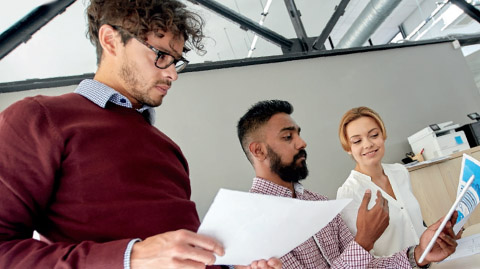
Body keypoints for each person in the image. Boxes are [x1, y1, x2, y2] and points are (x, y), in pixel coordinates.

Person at [0, 1, 280, 268]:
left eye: (176, 61)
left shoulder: (168, 149)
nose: (173, 74)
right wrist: (130, 258)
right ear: (110, 40)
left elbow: (178, 256)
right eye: (161, 56)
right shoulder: (40, 119)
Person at [236, 99, 458, 268]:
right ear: (258, 150)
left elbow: (367, 266)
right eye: (288, 137)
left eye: (298, 135)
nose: (302, 143)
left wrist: (419, 254)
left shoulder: (320, 204)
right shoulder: (253, 223)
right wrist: (364, 240)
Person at [336, 106, 426, 257]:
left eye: (374, 135)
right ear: (348, 148)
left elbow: (416, 224)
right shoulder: (349, 193)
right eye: (357, 141)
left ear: (383, 136)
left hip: (429, 261)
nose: (368, 144)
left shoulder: (400, 172)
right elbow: (362, 254)